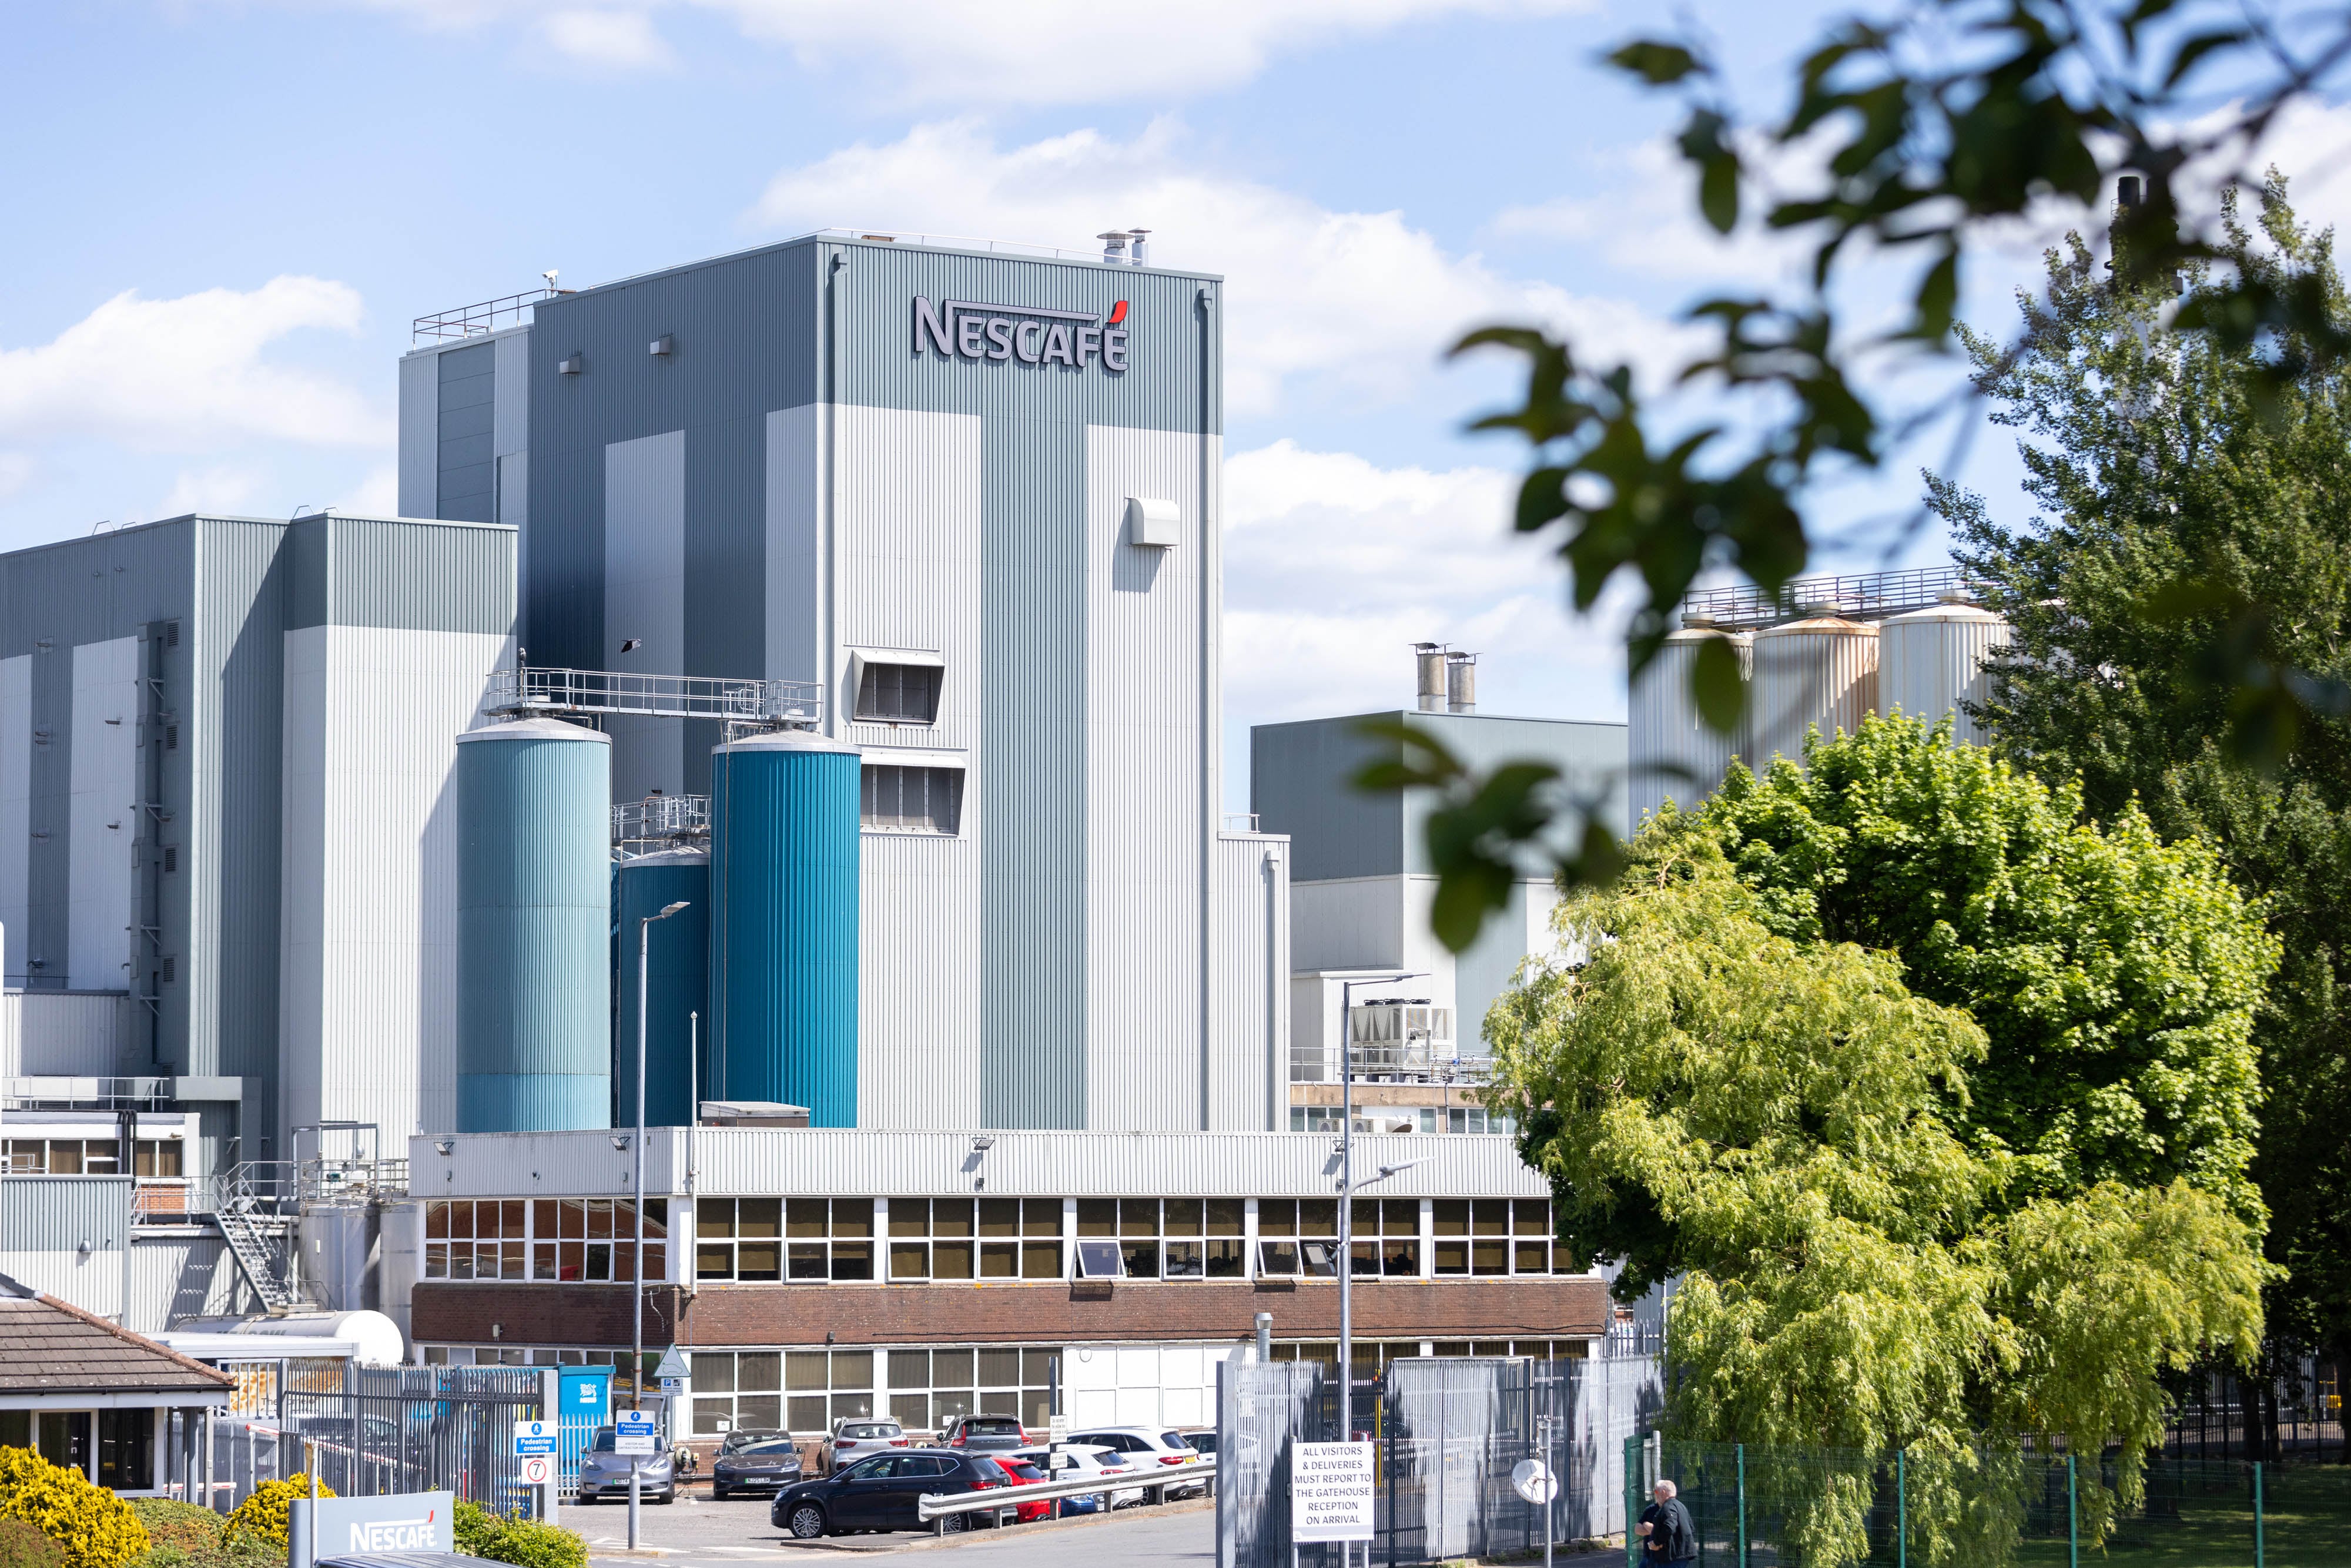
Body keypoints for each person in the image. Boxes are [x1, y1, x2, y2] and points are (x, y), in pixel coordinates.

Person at [1635, 1478, 1696, 1567]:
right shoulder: (1681, 1506)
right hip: (1679, 1556)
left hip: (1673, 1558)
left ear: (1662, 1492)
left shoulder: (1668, 1507)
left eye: (1656, 1492)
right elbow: (1691, 1529)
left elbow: (1670, 1527)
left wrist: (1656, 1542)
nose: (1656, 1495)